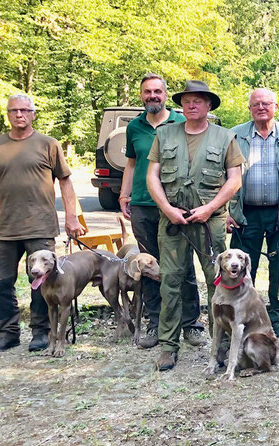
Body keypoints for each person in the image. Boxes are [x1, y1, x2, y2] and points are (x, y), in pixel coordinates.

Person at [0, 94, 86, 355]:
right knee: (0, 281)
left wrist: (71, 217)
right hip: (4, 229)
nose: (19, 115)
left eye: (24, 110)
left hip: (40, 227)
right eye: (13, 110)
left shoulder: (48, 144)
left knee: (42, 281)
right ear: (8, 114)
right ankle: (7, 332)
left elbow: (65, 182)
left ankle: (41, 332)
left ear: (34, 114)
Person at [147, 80, 244, 371]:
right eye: (187, 100)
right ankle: (168, 346)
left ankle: (223, 346)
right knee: (171, 283)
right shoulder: (164, 135)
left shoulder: (225, 137)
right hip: (173, 222)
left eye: (198, 101)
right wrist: (167, 209)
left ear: (209, 105)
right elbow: (151, 176)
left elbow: (234, 179)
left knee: (221, 283)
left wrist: (210, 208)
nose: (192, 105)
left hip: (210, 224)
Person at [118, 73, 204, 349]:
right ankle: (156, 324)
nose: (152, 96)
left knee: (184, 265)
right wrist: (124, 194)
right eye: (147, 92)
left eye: (157, 91)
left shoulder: (181, 122)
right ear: (141, 96)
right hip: (143, 205)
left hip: (177, 206)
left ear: (166, 95)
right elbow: (131, 164)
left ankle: (191, 324)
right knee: (149, 266)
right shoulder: (134, 127)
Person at [227, 88, 279, 338]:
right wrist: (227, 210)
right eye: (256, 104)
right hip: (245, 214)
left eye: (266, 103)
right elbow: (220, 176)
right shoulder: (233, 135)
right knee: (243, 268)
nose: (261, 108)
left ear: (276, 106)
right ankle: (242, 317)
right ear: (249, 108)